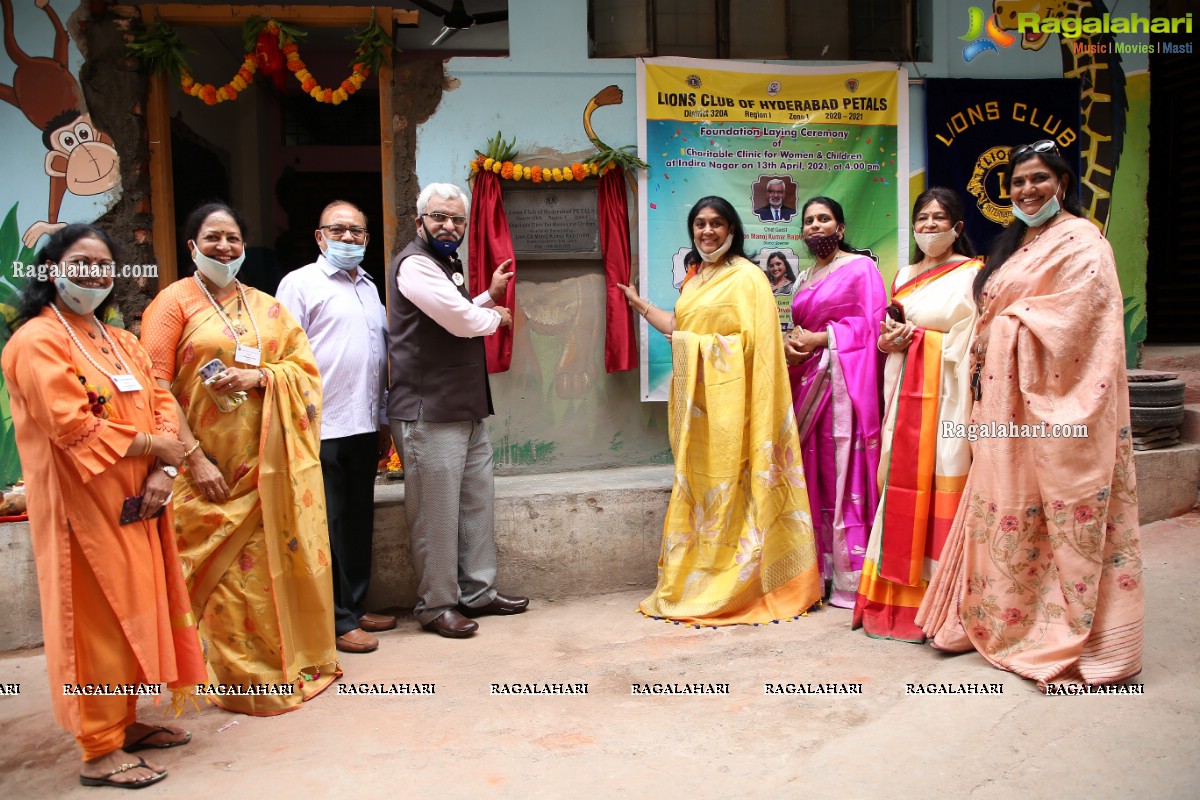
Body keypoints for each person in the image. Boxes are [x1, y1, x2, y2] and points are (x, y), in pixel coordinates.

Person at [917, 142, 1144, 689]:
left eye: (1038, 180)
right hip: (1003, 405)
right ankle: (1001, 616)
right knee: (1006, 505)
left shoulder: (1082, 243)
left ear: (1062, 184)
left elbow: (1083, 322)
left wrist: (1008, 329)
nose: (1027, 191)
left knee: (1060, 506)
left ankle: (1075, 631)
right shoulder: (1016, 245)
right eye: (1018, 183)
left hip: (1054, 406)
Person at [2, 224, 206, 789]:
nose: (93, 272)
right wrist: (152, 447)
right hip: (81, 509)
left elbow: (162, 401)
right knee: (92, 622)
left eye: (103, 264)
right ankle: (97, 749)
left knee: (135, 612)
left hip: (140, 499)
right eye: (80, 262)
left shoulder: (119, 339)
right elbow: (69, 424)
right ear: (50, 270)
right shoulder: (37, 340)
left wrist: (164, 470)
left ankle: (124, 721)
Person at [141, 202, 340, 713]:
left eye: (232, 238)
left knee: (260, 574)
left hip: (267, 470)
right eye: (212, 238)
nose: (224, 248)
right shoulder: (172, 304)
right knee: (227, 581)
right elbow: (155, 391)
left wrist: (263, 376)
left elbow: (304, 369)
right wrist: (194, 459)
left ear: (244, 246)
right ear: (192, 246)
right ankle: (235, 679)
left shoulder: (264, 305)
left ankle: (281, 665)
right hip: (205, 473)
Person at [618, 196, 821, 624]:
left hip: (740, 410)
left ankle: (747, 581)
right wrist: (639, 305)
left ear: (731, 230)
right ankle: (698, 576)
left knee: (739, 487)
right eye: (699, 224)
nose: (707, 231)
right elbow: (680, 330)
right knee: (701, 488)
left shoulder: (748, 278)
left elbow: (758, 348)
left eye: (716, 224)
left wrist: (700, 348)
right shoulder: (694, 280)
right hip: (701, 413)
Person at [388, 182, 527, 639]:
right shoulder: (414, 264)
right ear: (419, 220)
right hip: (430, 412)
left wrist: (487, 295)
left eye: (457, 220)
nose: (449, 226)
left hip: (463, 408)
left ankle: (478, 592)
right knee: (436, 513)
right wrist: (497, 317)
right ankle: (437, 604)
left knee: (474, 505)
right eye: (439, 217)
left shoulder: (444, 263)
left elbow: (456, 309)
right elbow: (459, 319)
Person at [853, 188, 982, 642]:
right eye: (923, 218)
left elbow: (975, 338)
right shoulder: (904, 274)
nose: (930, 225)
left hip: (946, 399)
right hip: (905, 392)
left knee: (945, 471)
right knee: (901, 484)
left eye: (939, 218)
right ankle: (894, 598)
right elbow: (888, 334)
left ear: (957, 227)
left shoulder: (973, 274)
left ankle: (945, 600)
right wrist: (892, 342)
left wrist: (924, 341)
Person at [276, 200, 395, 655]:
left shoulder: (368, 286)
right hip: (318, 425)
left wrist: (382, 418)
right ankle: (338, 618)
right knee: (326, 521)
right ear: (319, 236)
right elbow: (283, 354)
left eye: (357, 232)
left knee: (357, 520)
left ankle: (356, 605)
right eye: (339, 230)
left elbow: (378, 356)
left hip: (363, 423)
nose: (349, 239)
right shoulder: (299, 284)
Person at [785, 196, 887, 609]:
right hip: (806, 385)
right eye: (809, 221)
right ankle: (817, 570)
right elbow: (798, 328)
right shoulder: (804, 277)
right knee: (812, 470)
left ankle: (850, 572)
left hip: (844, 386)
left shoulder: (861, 268)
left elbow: (872, 324)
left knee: (841, 467)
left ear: (840, 228)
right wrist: (795, 348)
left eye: (824, 219)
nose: (815, 226)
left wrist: (823, 340)